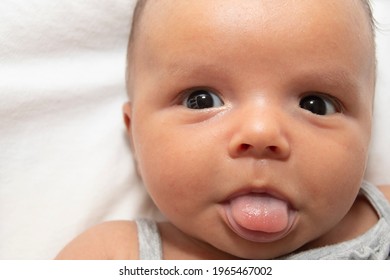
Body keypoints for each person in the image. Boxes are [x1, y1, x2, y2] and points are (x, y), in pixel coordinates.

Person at [56, 0, 390, 259]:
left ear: (369, 133)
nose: (261, 133)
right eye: (201, 101)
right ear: (135, 137)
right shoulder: (114, 256)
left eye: (316, 104)